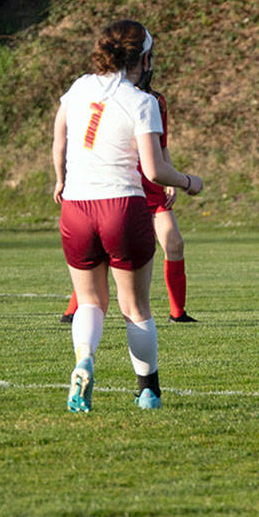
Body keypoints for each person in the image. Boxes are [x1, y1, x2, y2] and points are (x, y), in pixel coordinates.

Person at [53, 21, 204, 412]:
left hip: (75, 208)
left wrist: (60, 181)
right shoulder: (142, 101)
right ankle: (148, 390)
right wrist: (189, 181)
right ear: (143, 57)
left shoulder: (78, 88)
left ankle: (84, 359)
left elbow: (60, 140)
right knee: (135, 308)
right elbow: (154, 171)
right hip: (122, 206)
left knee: (89, 302)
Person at [60, 71, 195, 324]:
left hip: (151, 185)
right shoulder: (106, 98)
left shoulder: (155, 101)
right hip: (121, 186)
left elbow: (162, 146)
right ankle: (73, 310)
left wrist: (172, 179)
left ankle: (178, 313)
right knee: (106, 248)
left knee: (174, 242)